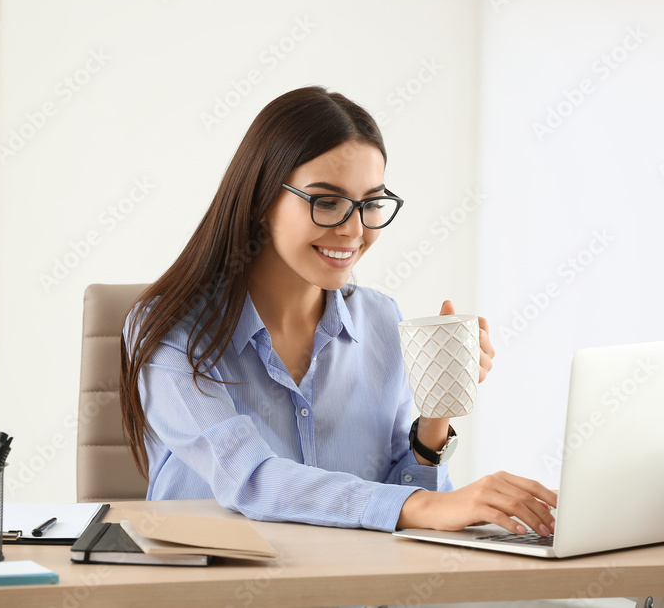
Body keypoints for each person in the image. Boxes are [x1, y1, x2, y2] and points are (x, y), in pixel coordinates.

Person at [119, 85, 557, 537]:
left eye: (370, 204)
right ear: (260, 201)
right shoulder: (171, 331)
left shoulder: (382, 321)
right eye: (326, 201)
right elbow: (249, 480)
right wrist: (423, 506)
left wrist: (436, 412)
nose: (353, 229)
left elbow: (405, 507)